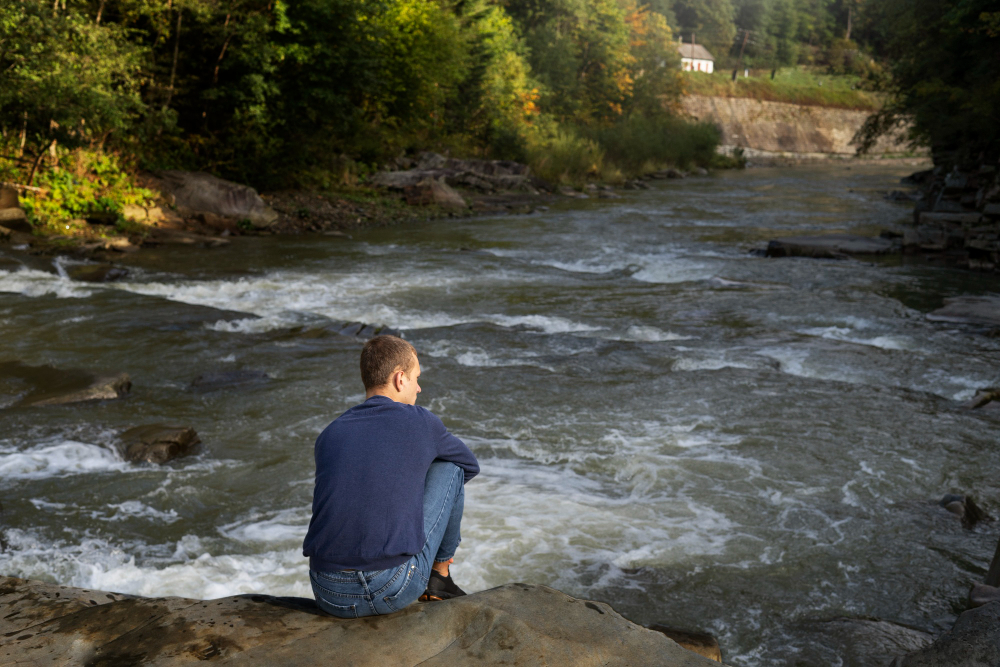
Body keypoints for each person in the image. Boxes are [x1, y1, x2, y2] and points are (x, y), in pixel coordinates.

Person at [303, 335, 479, 618]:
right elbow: (467, 466)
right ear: (400, 379)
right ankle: (440, 577)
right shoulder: (420, 421)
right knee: (450, 468)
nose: (419, 388)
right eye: (416, 378)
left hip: (327, 591)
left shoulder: (330, 433)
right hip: (391, 587)